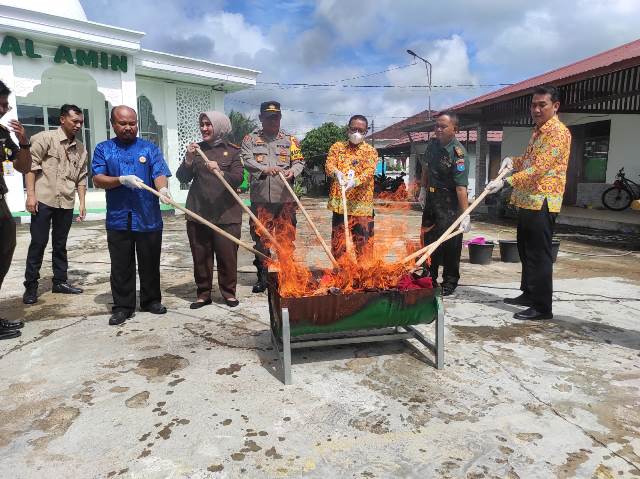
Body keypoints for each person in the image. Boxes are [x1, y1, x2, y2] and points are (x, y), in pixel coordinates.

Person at [486, 85, 571, 320]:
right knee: (525, 248)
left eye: (541, 104)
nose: (536, 109)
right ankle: (528, 293)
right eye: (533, 104)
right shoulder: (538, 131)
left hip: (543, 200)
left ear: (555, 106)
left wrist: (506, 182)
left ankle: (542, 307)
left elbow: (540, 167)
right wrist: (512, 161)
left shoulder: (558, 133)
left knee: (538, 254)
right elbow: (528, 160)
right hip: (528, 199)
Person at [92, 105, 172, 326]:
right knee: (121, 265)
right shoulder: (104, 149)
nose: (128, 127)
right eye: (123, 123)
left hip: (148, 217)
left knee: (150, 262)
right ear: (113, 124)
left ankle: (151, 300)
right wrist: (120, 180)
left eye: (132, 123)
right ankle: (123, 306)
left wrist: (163, 189)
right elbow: (97, 179)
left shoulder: (149, 148)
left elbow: (159, 173)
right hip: (119, 218)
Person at [176, 111, 243, 308]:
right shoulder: (197, 150)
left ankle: (229, 293)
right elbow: (182, 178)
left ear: (220, 127)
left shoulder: (233, 151)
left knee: (227, 256)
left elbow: (239, 177)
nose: (204, 128)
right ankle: (203, 294)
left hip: (227, 214)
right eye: (202, 124)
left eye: (209, 124)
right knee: (201, 256)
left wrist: (221, 171)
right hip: (199, 213)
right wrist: (188, 159)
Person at [22, 104, 87, 305]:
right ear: (62, 119)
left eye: (81, 122)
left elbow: (82, 178)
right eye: (74, 121)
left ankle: (60, 281)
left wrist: (82, 203)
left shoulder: (82, 149)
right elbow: (30, 167)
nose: (78, 125)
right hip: (43, 199)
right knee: (38, 243)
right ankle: (31, 287)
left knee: (60, 245)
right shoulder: (44, 138)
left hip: (66, 202)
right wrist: (31, 196)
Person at [241, 101, 304, 293]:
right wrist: (264, 169)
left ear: (280, 117)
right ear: (261, 118)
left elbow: (300, 161)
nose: (273, 121)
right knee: (261, 240)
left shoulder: (291, 140)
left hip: (285, 200)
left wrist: (293, 171)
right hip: (261, 201)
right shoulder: (250, 139)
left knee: (286, 239)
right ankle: (263, 278)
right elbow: (246, 159)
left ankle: (287, 275)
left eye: (276, 117)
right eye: (269, 117)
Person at [417, 112, 470, 296]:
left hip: (450, 202)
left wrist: (465, 214)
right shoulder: (432, 145)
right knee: (428, 239)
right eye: (436, 126)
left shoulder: (458, 153)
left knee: (451, 244)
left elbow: (461, 187)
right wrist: (423, 190)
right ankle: (428, 276)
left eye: (443, 126)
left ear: (455, 130)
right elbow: (426, 167)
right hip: (432, 199)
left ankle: (449, 281)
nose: (438, 129)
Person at [0, 80, 32, 340]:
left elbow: (21, 167)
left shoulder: (1, 132)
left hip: (0, 202)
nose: (5, 108)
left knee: (5, 250)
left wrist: (23, 142)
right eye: (1, 104)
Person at [325, 114, 378, 258]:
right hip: (340, 206)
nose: (357, 133)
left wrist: (355, 181)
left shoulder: (370, 151)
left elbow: (369, 171)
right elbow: (329, 164)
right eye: (354, 129)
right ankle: (341, 277)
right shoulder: (337, 147)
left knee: (363, 246)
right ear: (348, 129)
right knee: (339, 245)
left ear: (366, 132)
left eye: (361, 130)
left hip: (362, 208)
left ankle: (363, 277)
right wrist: (336, 172)